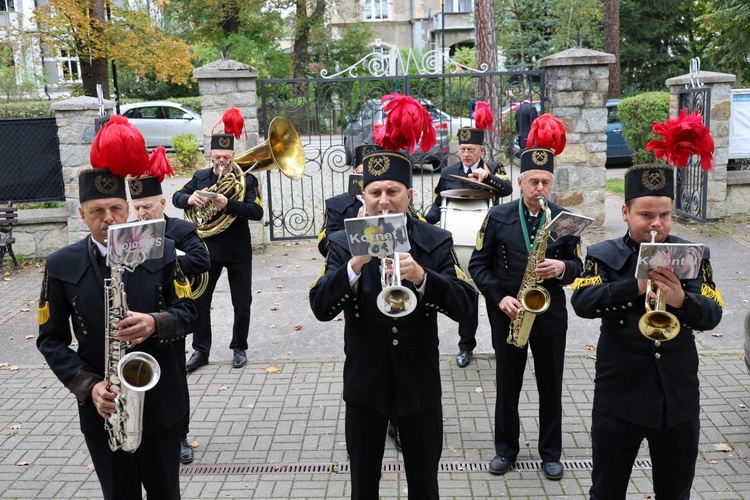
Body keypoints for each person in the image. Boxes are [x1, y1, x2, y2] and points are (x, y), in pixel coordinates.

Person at [36, 116, 197, 500]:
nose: (108, 219)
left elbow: (190, 312)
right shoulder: (60, 265)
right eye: (96, 211)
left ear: (127, 209)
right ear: (81, 215)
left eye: (115, 208)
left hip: (161, 403)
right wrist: (88, 386)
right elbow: (51, 341)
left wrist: (156, 322)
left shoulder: (160, 250)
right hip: (103, 408)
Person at [310, 150, 475, 499]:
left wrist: (423, 276)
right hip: (365, 383)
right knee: (364, 485)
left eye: (393, 191)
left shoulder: (435, 240)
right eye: (375, 192)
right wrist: (354, 266)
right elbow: (321, 308)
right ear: (364, 197)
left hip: (418, 382)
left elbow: (466, 306)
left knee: (425, 484)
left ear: (409, 196)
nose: (383, 200)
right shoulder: (342, 242)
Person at [571, 163, 723, 499]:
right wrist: (635, 287)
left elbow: (713, 314)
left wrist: (682, 299)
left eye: (665, 215)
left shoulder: (694, 255)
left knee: (675, 490)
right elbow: (582, 302)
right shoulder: (602, 254)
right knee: (607, 489)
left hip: (677, 397)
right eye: (646, 215)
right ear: (625, 212)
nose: (657, 224)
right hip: (619, 394)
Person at [469, 114, 582, 481]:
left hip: (549, 313)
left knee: (551, 383)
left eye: (545, 181)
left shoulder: (565, 220)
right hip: (510, 311)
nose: (539, 187)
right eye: (533, 181)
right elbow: (478, 265)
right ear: (520, 182)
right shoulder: (498, 216)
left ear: (552, 183)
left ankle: (551, 452)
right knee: (508, 382)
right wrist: (499, 298)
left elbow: (579, 265)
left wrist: (561, 269)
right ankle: (506, 449)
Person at [128, 148, 210, 465]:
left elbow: (202, 260)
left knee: (175, 380)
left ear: (162, 204)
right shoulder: (129, 234)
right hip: (138, 315)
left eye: (147, 206)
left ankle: (179, 438)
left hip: (172, 313)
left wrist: (168, 256)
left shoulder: (181, 230)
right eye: (137, 207)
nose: (142, 213)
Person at [173, 112, 264, 371]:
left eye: (226, 158)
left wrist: (229, 204)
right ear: (210, 157)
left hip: (237, 250)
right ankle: (201, 351)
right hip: (206, 251)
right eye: (217, 158)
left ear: (233, 157)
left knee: (242, 302)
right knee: (200, 301)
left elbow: (256, 213)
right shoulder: (200, 177)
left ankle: (239, 347)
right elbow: (177, 197)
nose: (222, 162)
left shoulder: (247, 178)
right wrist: (189, 199)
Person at [424, 112, 513, 369]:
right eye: (462, 149)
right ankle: (466, 346)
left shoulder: (494, 168)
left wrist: (488, 177)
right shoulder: (450, 171)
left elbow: (507, 189)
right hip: (460, 241)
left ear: (481, 150)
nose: (465, 154)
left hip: (492, 240)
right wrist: (425, 222)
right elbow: (438, 202)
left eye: (470, 149)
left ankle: (502, 347)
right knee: (469, 294)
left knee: (496, 293)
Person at [317, 143, 378, 257]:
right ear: (354, 174)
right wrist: (355, 227)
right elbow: (325, 247)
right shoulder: (337, 205)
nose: (369, 181)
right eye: (363, 174)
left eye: (374, 176)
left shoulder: (393, 202)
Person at [514, 91, 538, 156]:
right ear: (532, 97)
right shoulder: (531, 108)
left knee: (524, 157)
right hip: (530, 137)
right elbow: (535, 124)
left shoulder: (518, 109)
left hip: (521, 136)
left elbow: (517, 125)